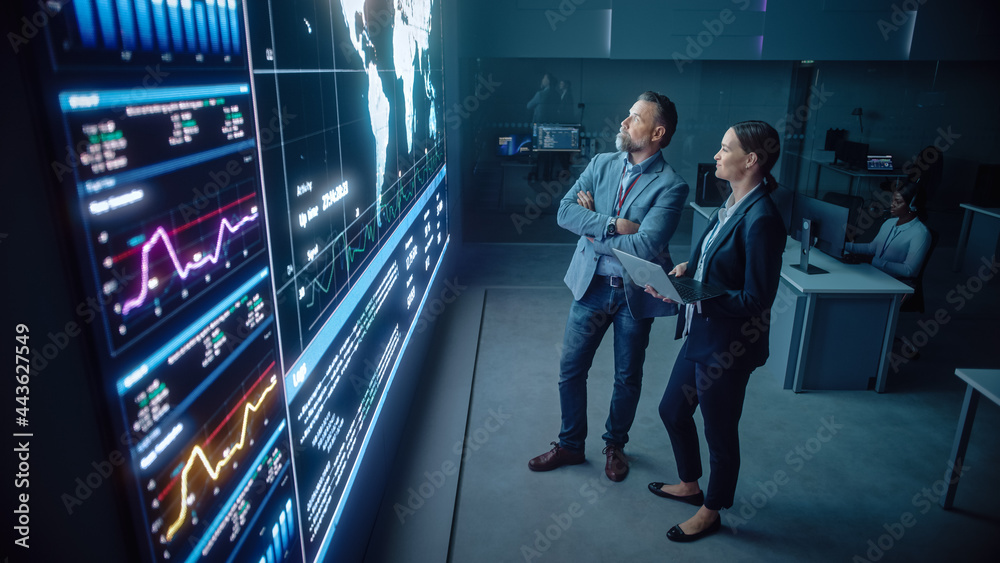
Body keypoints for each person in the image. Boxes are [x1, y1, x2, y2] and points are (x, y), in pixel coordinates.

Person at [528, 91, 689, 482]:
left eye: (634, 117)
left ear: (657, 132)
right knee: (570, 370)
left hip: (635, 294)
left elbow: (647, 245)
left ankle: (615, 445)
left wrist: (592, 227)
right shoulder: (601, 164)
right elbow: (565, 213)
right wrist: (613, 224)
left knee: (627, 376)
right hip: (592, 286)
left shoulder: (671, 186)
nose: (624, 122)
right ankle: (570, 444)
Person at [645, 121, 786, 542]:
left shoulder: (762, 219)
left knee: (719, 434)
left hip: (727, 347)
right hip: (702, 335)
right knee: (672, 410)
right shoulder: (730, 204)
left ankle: (712, 510)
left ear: (752, 160)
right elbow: (715, 259)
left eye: (726, 149)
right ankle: (690, 484)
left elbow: (757, 299)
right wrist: (691, 270)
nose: (717, 155)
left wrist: (694, 297)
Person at [845, 181, 931, 283]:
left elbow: (909, 270)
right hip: (874, 274)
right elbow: (871, 248)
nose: (892, 204)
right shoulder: (890, 222)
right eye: (892, 200)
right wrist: (843, 245)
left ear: (912, 206)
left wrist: (871, 260)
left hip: (893, 282)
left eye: (898, 202)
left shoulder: (920, 233)